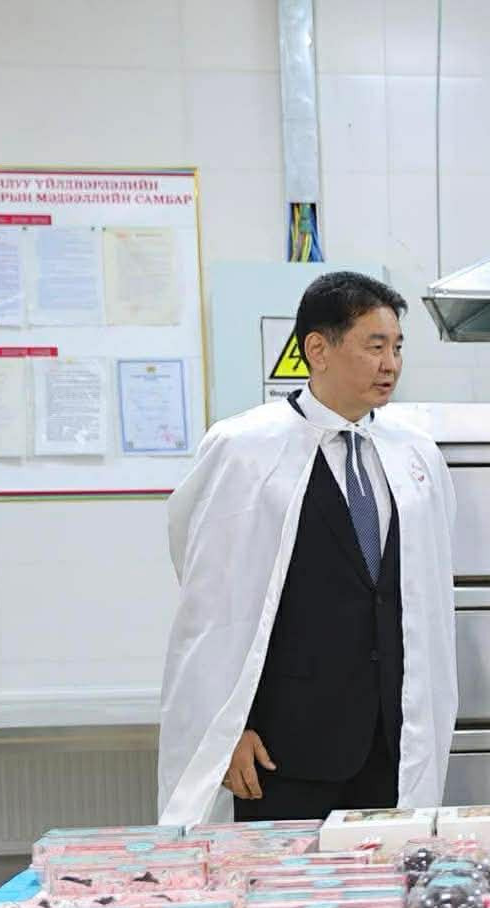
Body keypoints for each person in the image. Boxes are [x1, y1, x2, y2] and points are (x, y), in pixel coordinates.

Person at [158, 271, 457, 825]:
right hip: (283, 750)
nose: (390, 364)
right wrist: (227, 728)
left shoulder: (414, 454)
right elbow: (212, 608)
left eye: (397, 348)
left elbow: (427, 595)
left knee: (386, 874)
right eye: (374, 346)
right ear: (317, 349)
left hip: (393, 740)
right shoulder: (246, 450)